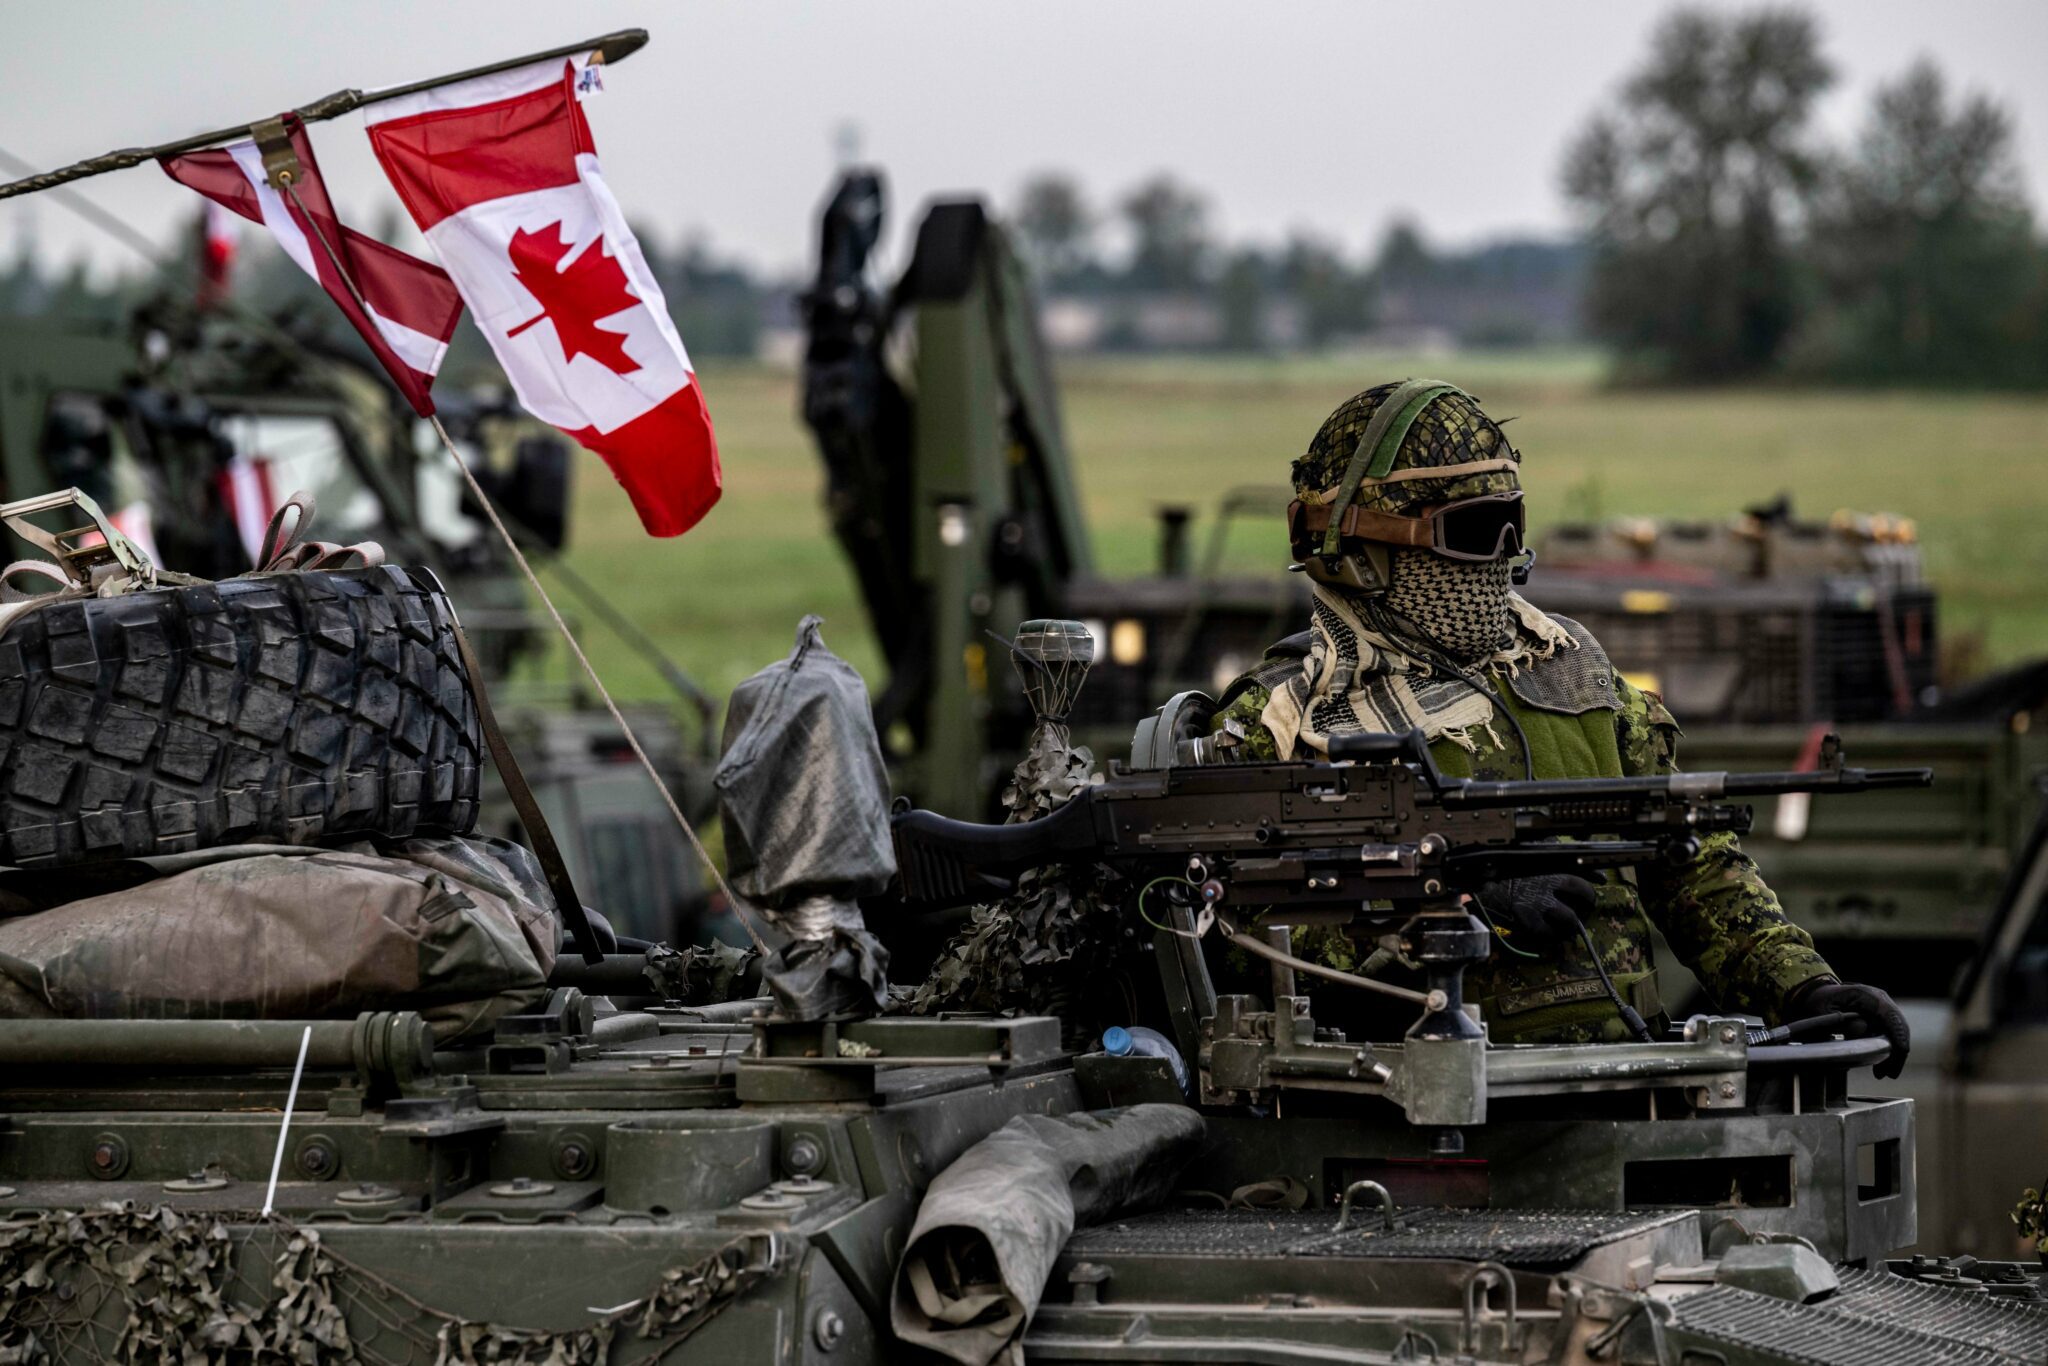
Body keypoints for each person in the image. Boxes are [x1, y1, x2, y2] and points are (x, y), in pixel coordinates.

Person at [1205, 379, 1910, 1074]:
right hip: (1419, 1119)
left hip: (1626, 1088)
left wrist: (1803, 986)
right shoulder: (1283, 724)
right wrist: (1446, 906)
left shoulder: (1570, 668)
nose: (1504, 555)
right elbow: (1245, 944)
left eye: (1514, 521)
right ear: (1366, 546)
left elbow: (1690, 861)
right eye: (1476, 530)